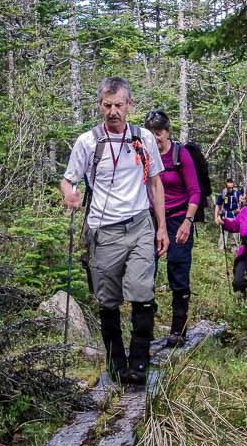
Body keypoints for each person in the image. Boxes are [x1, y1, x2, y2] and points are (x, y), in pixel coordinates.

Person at [61, 77, 168, 385]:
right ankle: (116, 363)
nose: (112, 112)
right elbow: (68, 179)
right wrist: (69, 193)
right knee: (108, 300)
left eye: (119, 105)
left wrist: (161, 227)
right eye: (107, 106)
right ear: (100, 106)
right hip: (103, 231)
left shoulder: (144, 139)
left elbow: (155, 183)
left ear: (129, 106)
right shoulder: (88, 142)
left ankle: (139, 362)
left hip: (139, 226)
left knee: (141, 291)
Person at [145, 110, 201, 348]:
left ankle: (178, 329)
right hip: (150, 217)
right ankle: (145, 328)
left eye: (159, 133)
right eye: (151, 133)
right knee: (145, 271)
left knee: (178, 270)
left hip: (179, 217)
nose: (156, 138)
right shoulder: (144, 155)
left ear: (167, 132)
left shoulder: (181, 155)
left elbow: (195, 191)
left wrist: (188, 221)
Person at [214, 178, 242, 250]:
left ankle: (235, 250)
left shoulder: (237, 193)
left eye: (232, 187)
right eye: (229, 188)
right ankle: (221, 249)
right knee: (223, 234)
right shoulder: (223, 194)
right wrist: (216, 217)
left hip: (235, 217)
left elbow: (242, 202)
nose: (231, 189)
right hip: (225, 216)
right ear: (226, 186)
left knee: (235, 235)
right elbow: (218, 205)